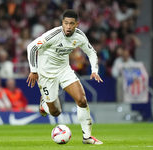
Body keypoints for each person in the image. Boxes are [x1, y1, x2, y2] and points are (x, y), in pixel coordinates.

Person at [26, 9, 103, 145]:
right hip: (46, 74)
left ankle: (87, 137)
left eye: (71, 23)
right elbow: (32, 47)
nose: (68, 26)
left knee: (82, 100)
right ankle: (44, 103)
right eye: (66, 23)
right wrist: (33, 70)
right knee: (56, 112)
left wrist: (94, 70)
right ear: (62, 23)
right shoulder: (53, 35)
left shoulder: (79, 36)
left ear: (76, 24)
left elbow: (91, 52)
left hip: (64, 70)